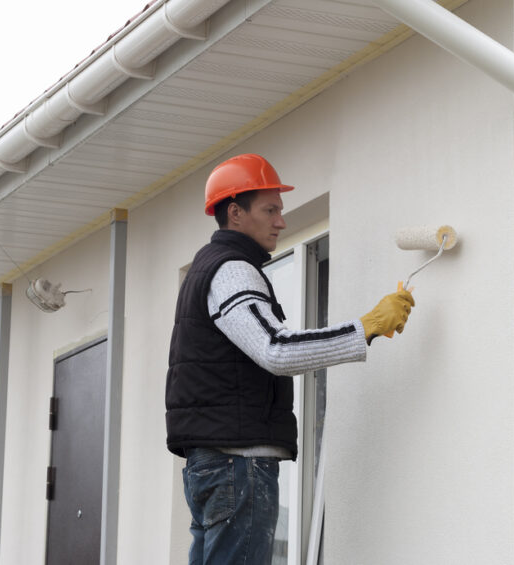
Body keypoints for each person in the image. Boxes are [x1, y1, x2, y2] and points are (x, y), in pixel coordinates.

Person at [165, 153, 415, 565]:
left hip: (215, 464)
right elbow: (276, 350)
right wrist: (366, 327)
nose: (281, 221)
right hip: (236, 467)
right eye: (270, 209)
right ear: (235, 213)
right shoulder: (231, 270)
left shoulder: (210, 268)